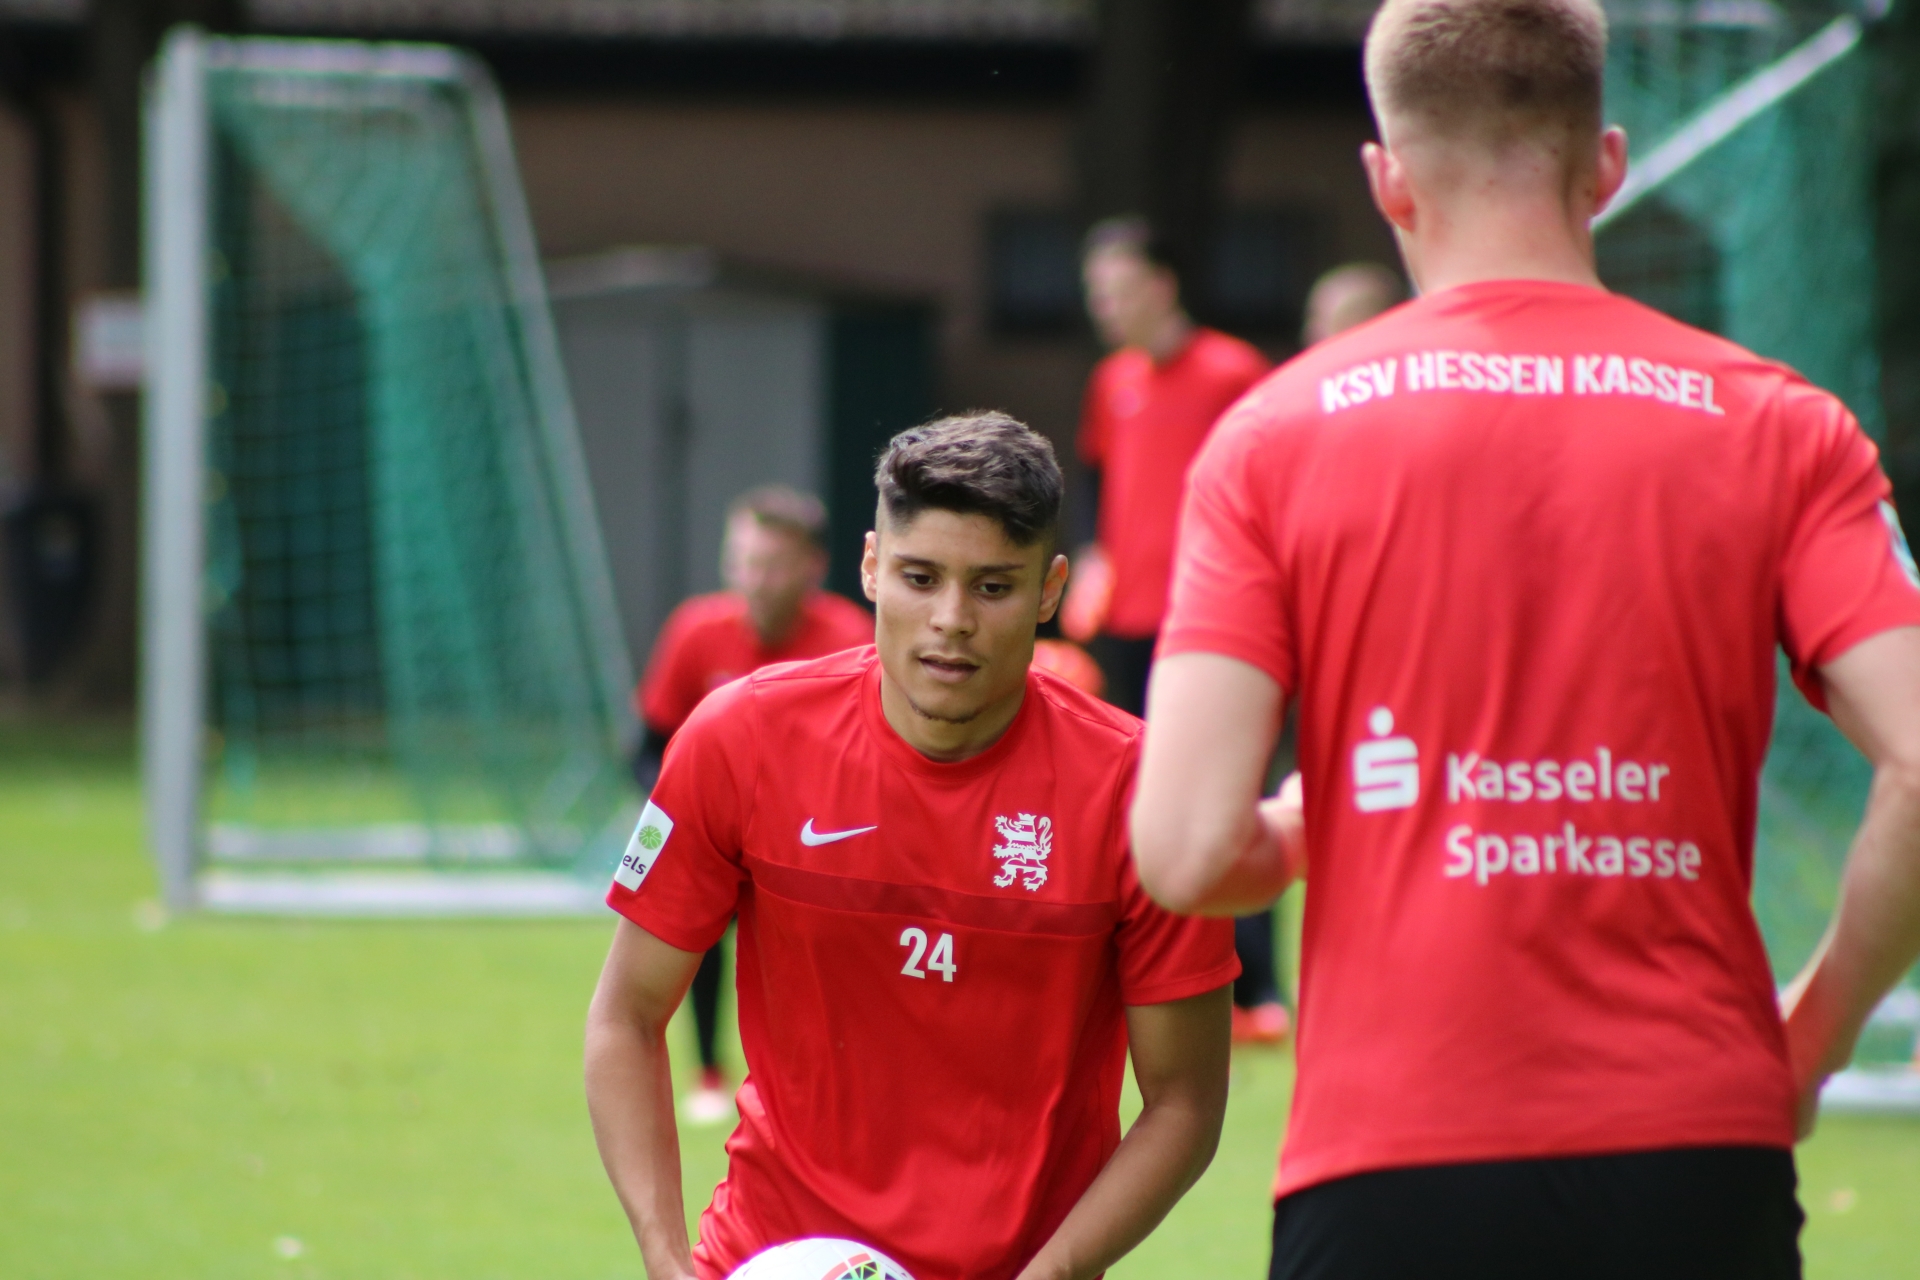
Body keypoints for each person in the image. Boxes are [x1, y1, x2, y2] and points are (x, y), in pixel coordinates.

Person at [1130, 0, 1920, 1276]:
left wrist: (1305, 824)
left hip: (1390, 1159)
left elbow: (1181, 850)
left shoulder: (1272, 436)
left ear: (1388, 180)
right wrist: (1812, 1040)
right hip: (1694, 1145)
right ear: (1606, 164)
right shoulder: (1782, 424)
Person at [586, 413, 1237, 1280]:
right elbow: (626, 1017)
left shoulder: (1140, 790)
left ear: (1050, 590)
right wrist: (667, 1261)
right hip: (766, 1256)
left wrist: (1051, 1273)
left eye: (994, 587)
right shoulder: (740, 738)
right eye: (920, 578)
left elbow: (1185, 1101)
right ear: (870, 567)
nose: (951, 620)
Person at [632, 484, 872, 1124]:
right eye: (742, 561)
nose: (754, 579)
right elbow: (648, 748)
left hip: (810, 846)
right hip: (714, 839)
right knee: (689, 941)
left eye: (772, 565)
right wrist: (683, 822)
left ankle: (816, 1082)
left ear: (813, 567)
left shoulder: (850, 639)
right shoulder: (695, 630)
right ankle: (708, 1072)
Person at [1071, 216, 1270, 718]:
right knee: (1135, 738)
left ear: (1162, 286)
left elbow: (1267, 481)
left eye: (1120, 292)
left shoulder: (1232, 371)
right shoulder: (1111, 380)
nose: (1106, 308)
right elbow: (1094, 474)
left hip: (1206, 600)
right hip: (1126, 605)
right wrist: (1091, 557)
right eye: (1098, 294)